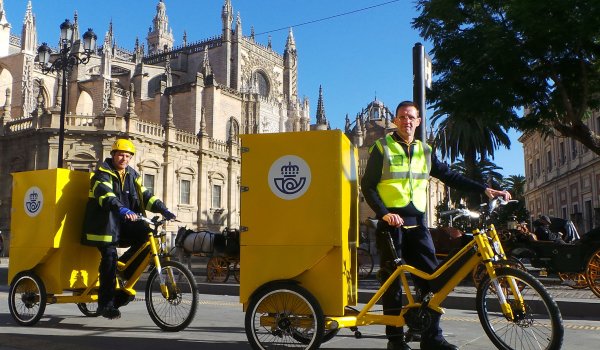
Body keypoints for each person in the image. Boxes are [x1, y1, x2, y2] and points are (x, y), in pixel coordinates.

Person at [361, 101, 511, 350]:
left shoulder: (425, 151)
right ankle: (395, 340)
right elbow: (368, 185)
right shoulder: (381, 147)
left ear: (418, 121)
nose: (406, 121)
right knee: (392, 283)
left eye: (411, 117)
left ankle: (432, 337)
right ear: (395, 121)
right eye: (401, 117)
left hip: (417, 223)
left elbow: (450, 175)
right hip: (391, 224)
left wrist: (484, 189)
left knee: (432, 281)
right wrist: (384, 214)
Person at [81, 139, 176, 319]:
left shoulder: (132, 175)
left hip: (124, 224)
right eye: (120, 155)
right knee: (109, 257)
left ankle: (123, 271)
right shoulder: (102, 173)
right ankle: (106, 304)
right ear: (113, 155)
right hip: (104, 226)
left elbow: (145, 195)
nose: (124, 159)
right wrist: (122, 208)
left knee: (147, 237)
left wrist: (163, 209)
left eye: (127, 156)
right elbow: (105, 195)